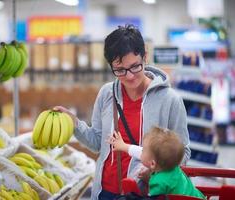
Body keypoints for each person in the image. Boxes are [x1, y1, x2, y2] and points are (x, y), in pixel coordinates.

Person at [54, 24, 190, 200]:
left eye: (135, 66)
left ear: (145, 56)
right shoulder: (106, 94)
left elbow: (183, 152)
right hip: (106, 192)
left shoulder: (170, 100)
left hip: (144, 193)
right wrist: (75, 124)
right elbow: (97, 143)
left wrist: (156, 171)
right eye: (120, 70)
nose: (130, 76)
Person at [107, 127, 205, 199]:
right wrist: (123, 146)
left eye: (143, 150)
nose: (141, 151)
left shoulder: (158, 182)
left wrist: (148, 181)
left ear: (153, 164)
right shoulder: (174, 168)